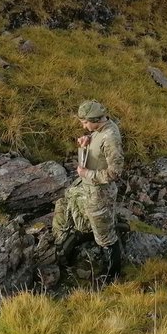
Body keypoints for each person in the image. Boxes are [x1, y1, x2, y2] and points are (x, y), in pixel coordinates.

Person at [52, 100, 125, 281]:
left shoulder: (110, 138)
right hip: (88, 188)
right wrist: (87, 141)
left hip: (100, 194)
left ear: (96, 120)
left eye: (85, 122)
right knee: (66, 204)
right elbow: (98, 147)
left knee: (105, 238)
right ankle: (71, 241)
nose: (83, 126)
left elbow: (115, 173)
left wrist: (87, 173)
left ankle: (112, 276)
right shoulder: (100, 129)